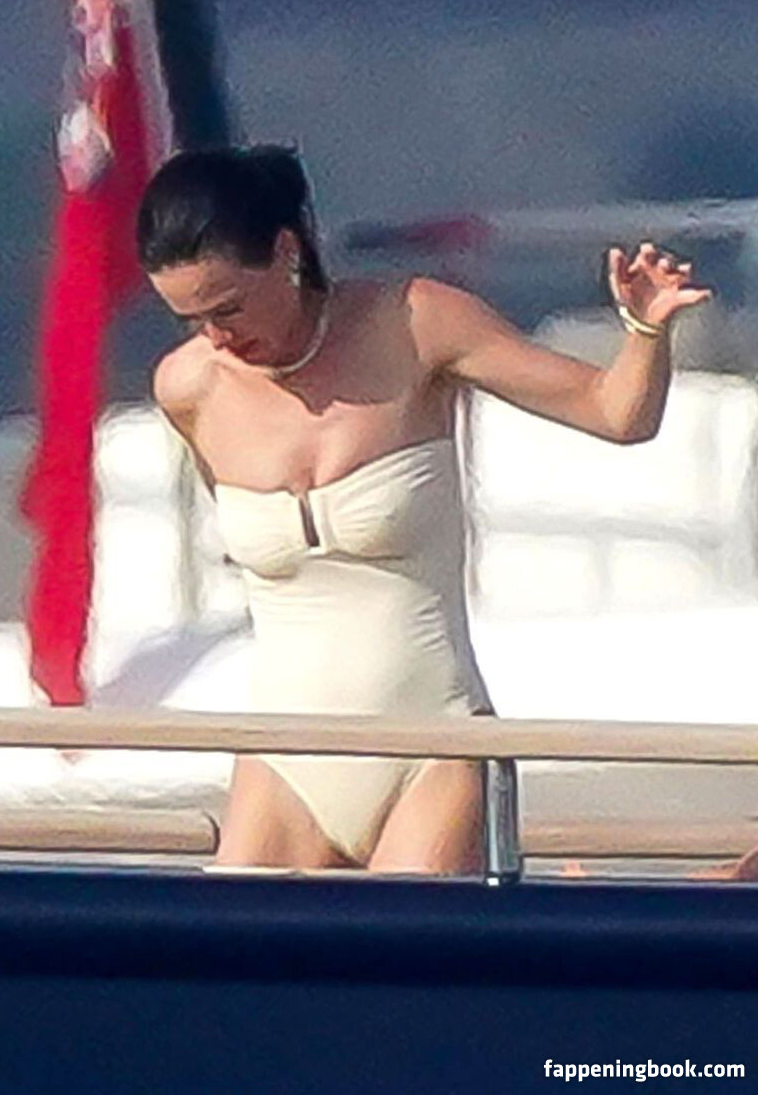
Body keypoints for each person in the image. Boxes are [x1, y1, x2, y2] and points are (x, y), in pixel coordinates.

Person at [136, 145, 712, 875]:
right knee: (226, 949)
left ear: (285, 252)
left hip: (431, 748)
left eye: (228, 308)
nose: (218, 337)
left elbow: (615, 413)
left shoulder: (416, 323)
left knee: (407, 948)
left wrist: (646, 331)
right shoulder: (188, 389)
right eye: (191, 319)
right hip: (285, 759)